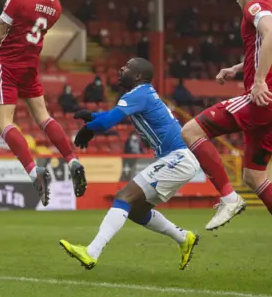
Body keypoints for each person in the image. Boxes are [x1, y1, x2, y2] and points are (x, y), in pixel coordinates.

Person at [180, 0, 272, 275]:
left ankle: (228, 198)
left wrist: (259, 82)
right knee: (255, 177)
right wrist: (238, 69)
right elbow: (271, 46)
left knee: (190, 130)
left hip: (263, 100)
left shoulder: (255, 7)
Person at [59, 58, 199, 270]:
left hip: (177, 158)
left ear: (137, 76)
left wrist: (89, 128)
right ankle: (183, 238)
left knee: (123, 197)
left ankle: (91, 252)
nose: (120, 69)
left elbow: (107, 122)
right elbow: (110, 116)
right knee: (135, 211)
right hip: (178, 159)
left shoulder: (139, 93)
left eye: (126, 67)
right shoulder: (141, 95)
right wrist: (91, 117)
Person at [0, 0, 87, 207]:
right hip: (30, 65)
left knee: (3, 123)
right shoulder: (57, 7)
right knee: (43, 117)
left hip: (8, 65)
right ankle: (72, 159)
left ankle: (32, 170)